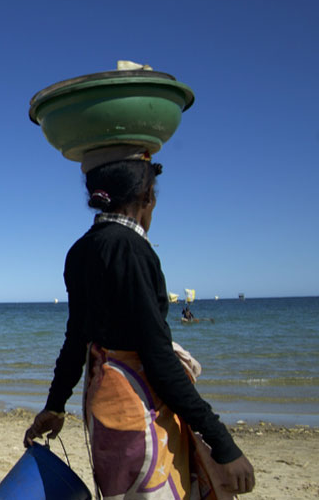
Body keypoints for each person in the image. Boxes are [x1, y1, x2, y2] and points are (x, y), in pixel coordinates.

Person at [23, 154, 255, 497]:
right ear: (147, 198)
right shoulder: (132, 249)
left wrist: (55, 405)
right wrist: (223, 444)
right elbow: (158, 359)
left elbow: (76, 341)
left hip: (103, 412)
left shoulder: (79, 251)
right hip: (138, 413)